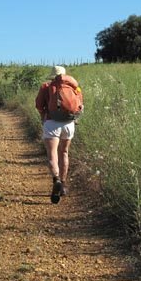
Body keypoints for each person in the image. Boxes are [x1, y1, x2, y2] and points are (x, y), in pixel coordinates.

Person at [35, 65, 83, 204]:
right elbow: (80, 106)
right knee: (64, 153)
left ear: (52, 75)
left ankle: (56, 179)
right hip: (69, 124)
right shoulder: (74, 87)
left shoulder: (46, 86)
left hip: (51, 123)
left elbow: (38, 105)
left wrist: (43, 115)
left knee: (52, 154)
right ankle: (63, 185)